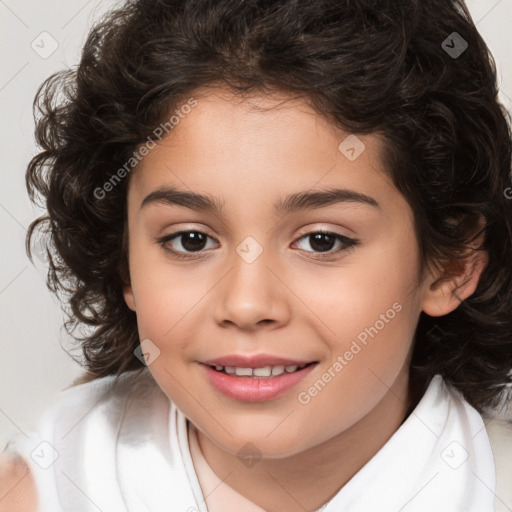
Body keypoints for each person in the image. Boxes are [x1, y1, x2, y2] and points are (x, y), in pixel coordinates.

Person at [1, 0, 512, 510]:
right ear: (124, 260)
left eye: (322, 240)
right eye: (191, 240)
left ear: (451, 263)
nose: (247, 305)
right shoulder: (44, 488)